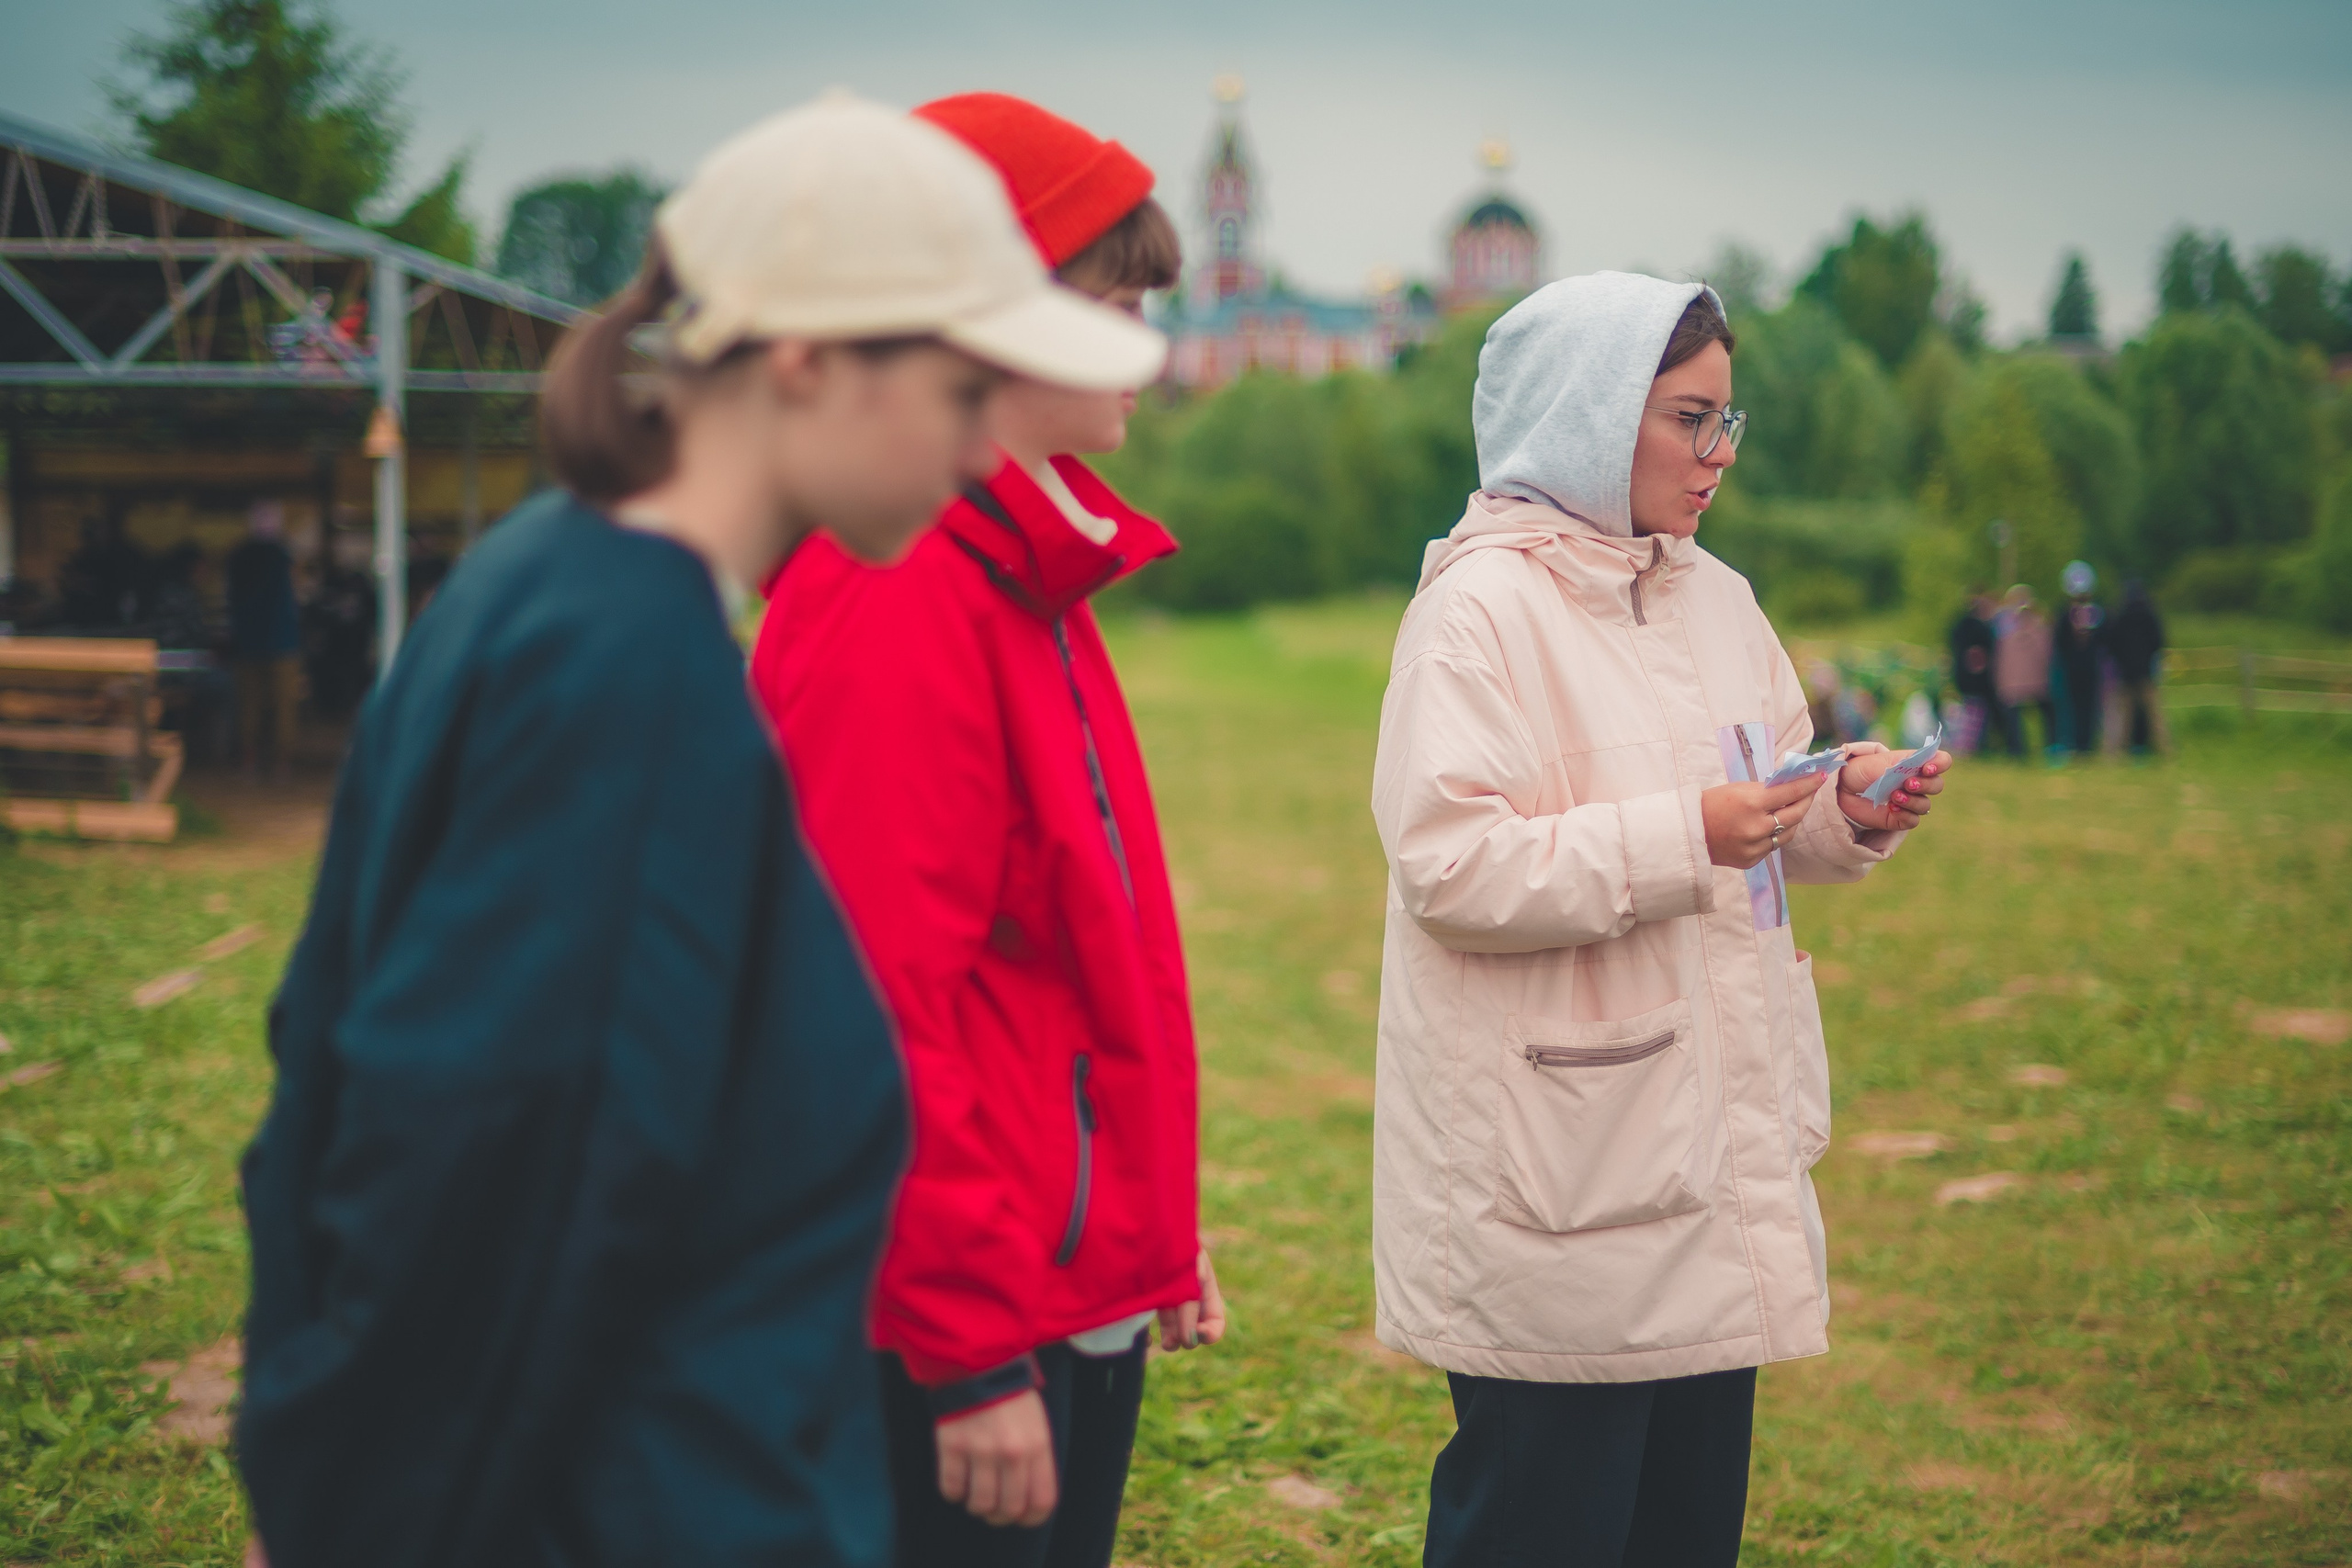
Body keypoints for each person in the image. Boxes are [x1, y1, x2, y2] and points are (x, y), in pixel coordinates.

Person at [236, 93, 1165, 1568]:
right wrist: (356, 1494)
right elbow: (450, 1161)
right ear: (803, 360)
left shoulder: (550, 582)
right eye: (962, 381)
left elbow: (331, 1061)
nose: (989, 430)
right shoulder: (622, 669)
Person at [1368, 274, 1951, 1568]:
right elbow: (1452, 865)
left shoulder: (1719, 601)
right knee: (1545, 1529)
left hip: (1706, 1160)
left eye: (1730, 421)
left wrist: (1840, 802)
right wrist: (1686, 835)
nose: (1720, 455)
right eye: (1691, 418)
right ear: (1588, 414)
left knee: (1683, 1532)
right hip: (1561, 1180)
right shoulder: (1479, 610)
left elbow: (1763, 807)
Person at [752, 94, 1217, 1568]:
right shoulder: (902, 590)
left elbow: (1076, 960)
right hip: (950, 1320)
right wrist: (962, 1353)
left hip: (1050, 1274)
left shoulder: (1023, 564)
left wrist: (1150, 1236)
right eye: (1119, 304)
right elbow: (868, 1007)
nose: (1150, 346)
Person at [225, 501, 304, 779]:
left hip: (248, 639)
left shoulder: (238, 555)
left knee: (249, 703)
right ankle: (283, 762)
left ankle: (249, 758)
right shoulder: (284, 554)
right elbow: (298, 592)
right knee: (284, 704)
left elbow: (231, 595)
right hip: (282, 639)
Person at [2107, 578, 2168, 756]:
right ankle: (2165, 750)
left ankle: (2116, 753)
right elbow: (2158, 642)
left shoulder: (2120, 614)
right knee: (2155, 715)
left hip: (2125, 673)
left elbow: (2112, 644)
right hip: (2146, 672)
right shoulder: (2150, 614)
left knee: (2123, 716)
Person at [2052, 558, 2107, 755]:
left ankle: (2085, 745)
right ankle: (2072, 743)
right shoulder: (2065, 613)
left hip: (2088, 668)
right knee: (2070, 708)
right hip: (2072, 668)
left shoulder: (2097, 611)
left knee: (2088, 708)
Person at [1992, 583, 2053, 758]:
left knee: (2043, 712)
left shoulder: (2035, 623)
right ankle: (2017, 750)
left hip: (2032, 678)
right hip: (2014, 680)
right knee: (2014, 717)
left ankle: (2046, 746)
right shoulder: (2003, 625)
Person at [1946, 586, 1998, 755]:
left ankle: (1969, 746)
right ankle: (1969, 747)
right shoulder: (1979, 627)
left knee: (1970, 714)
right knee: (1975, 716)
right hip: (1976, 680)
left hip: (1965, 678)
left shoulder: (1960, 625)